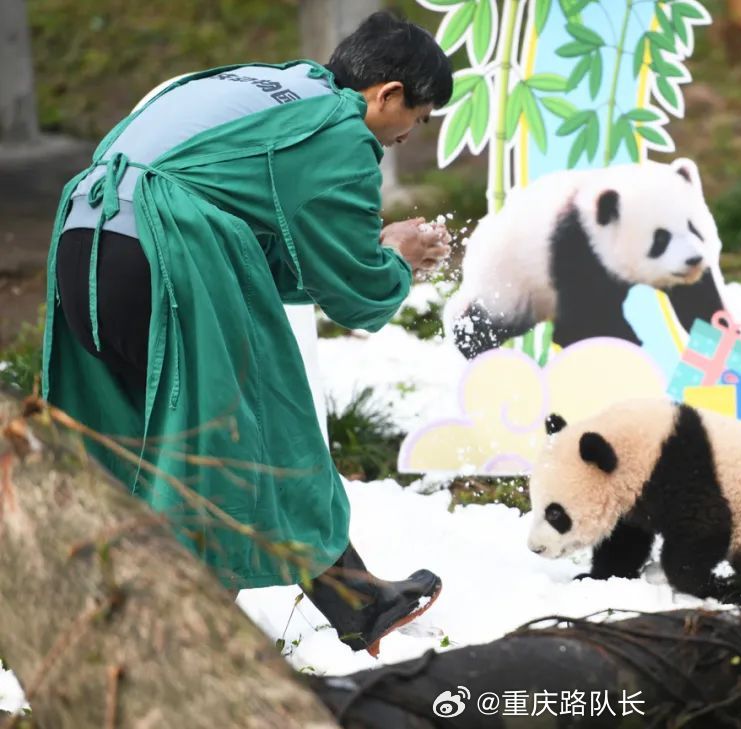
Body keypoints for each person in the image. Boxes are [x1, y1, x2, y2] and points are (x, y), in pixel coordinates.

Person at [42, 11, 453, 656]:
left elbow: (265, 257)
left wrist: (370, 249)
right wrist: (395, 255)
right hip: (162, 258)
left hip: (84, 248)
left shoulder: (278, 85)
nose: (410, 134)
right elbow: (359, 295)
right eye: (420, 118)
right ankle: (175, 639)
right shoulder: (339, 131)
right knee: (245, 433)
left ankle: (354, 602)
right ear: (389, 95)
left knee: (155, 444)